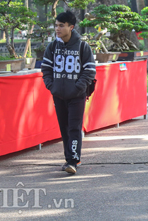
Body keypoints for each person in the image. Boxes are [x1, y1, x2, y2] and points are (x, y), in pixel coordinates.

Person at [41, 10, 96, 175]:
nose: (57, 29)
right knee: (64, 128)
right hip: (58, 95)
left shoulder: (82, 46)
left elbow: (89, 71)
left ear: (71, 27)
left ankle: (73, 160)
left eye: (61, 26)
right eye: (56, 25)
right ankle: (68, 159)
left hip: (77, 96)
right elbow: (46, 68)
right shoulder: (53, 46)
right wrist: (52, 86)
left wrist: (78, 87)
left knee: (74, 127)